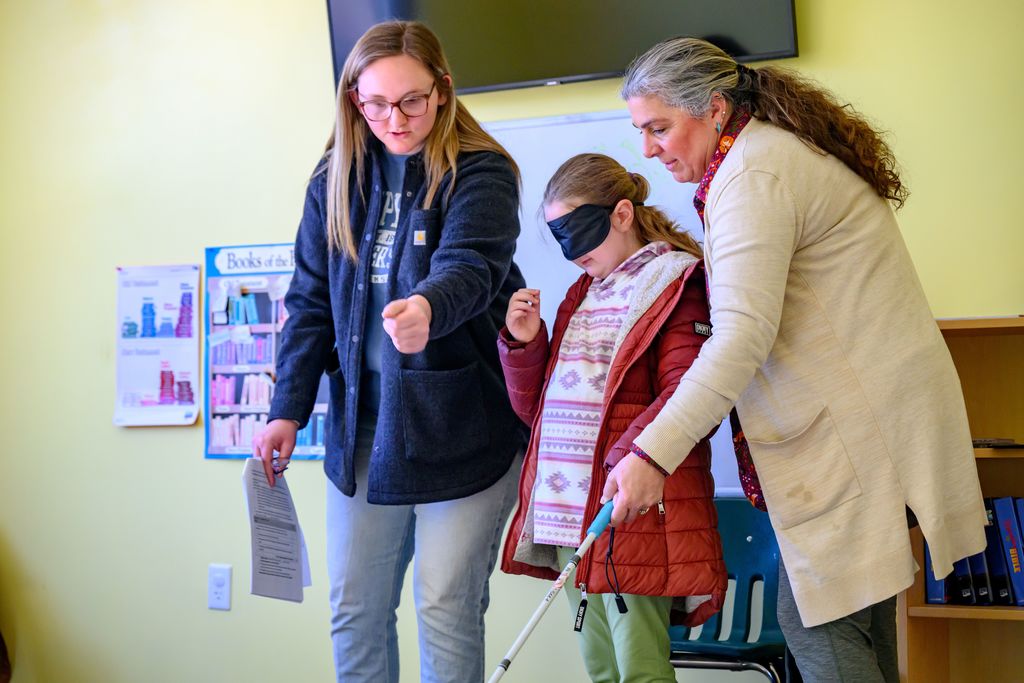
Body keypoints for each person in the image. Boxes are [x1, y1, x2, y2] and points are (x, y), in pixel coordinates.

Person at [603, 37, 988, 681]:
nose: (648, 149)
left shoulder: (754, 175)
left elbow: (740, 338)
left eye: (660, 128)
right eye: (641, 131)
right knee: (858, 620)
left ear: (715, 109)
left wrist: (650, 452)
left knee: (818, 624)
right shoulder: (763, 157)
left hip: (860, 430)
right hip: (867, 422)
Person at [252, 21, 527, 683]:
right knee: (354, 607)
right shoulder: (337, 177)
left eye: (409, 100)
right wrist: (286, 408)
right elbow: (311, 301)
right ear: (353, 100)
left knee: (444, 604)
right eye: (373, 103)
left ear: (441, 92)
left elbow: (470, 267)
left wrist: (428, 308)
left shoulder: (482, 172)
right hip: (364, 431)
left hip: (463, 429)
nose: (392, 118)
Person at [498, 153, 727, 683]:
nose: (572, 253)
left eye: (579, 232)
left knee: (639, 670)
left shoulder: (674, 284)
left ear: (621, 214)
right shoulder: (581, 295)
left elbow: (688, 393)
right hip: (570, 513)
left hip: (630, 513)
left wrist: (630, 461)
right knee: (601, 668)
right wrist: (528, 347)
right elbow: (541, 413)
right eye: (560, 236)